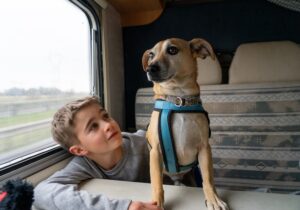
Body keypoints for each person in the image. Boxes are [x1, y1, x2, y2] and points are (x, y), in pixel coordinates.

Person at [33, 96, 162, 210]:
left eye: (105, 116)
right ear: (79, 150)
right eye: (93, 126)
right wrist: (123, 207)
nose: (107, 125)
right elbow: (40, 193)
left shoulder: (145, 143)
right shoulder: (84, 165)